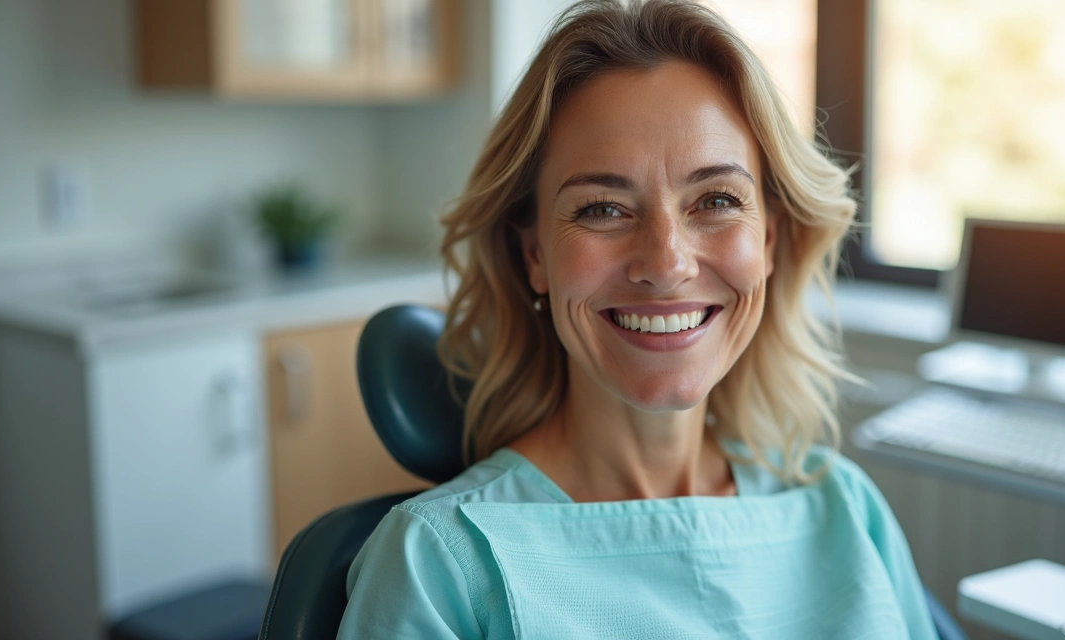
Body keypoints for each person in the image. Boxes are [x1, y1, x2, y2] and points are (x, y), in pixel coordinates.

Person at [338, 1, 938, 637]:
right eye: (601, 209)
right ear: (535, 254)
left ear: (767, 243)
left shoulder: (845, 510)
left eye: (716, 200)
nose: (667, 263)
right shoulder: (439, 568)